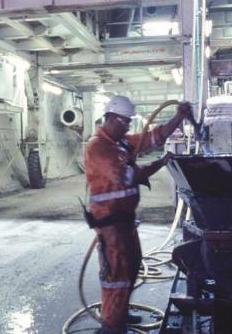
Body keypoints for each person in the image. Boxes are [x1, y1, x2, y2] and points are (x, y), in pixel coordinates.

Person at [83, 96, 191, 334]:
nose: (128, 126)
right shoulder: (98, 147)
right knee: (116, 276)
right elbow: (131, 176)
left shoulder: (119, 144)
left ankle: (121, 312)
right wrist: (161, 163)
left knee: (131, 267)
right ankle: (112, 327)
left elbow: (155, 136)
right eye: (125, 122)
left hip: (125, 222)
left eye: (129, 122)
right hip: (110, 225)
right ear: (111, 119)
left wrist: (179, 117)